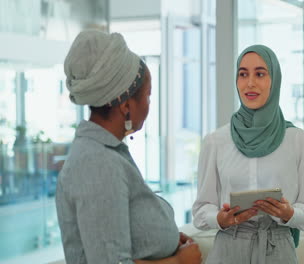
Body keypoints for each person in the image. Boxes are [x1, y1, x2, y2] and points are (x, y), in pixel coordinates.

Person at [56, 30, 201, 264]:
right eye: (147, 95)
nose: (149, 105)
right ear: (125, 106)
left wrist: (166, 239)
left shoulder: (108, 153)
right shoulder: (98, 164)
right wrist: (179, 262)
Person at [192, 44, 304, 264]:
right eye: (243, 74)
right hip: (228, 249)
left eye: (260, 74)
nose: (250, 83)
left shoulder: (297, 140)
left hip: (278, 250)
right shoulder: (216, 141)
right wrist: (220, 219)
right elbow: (201, 211)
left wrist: (289, 214)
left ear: (275, 80)